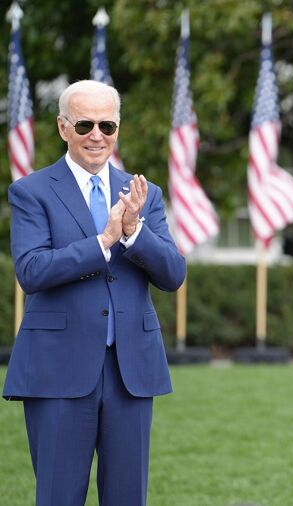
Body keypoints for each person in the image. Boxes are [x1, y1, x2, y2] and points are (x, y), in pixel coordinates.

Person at [3, 80, 186, 506]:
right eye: (85, 124)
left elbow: (173, 274)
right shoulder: (32, 191)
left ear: (118, 127)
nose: (96, 135)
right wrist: (103, 242)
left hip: (130, 373)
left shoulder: (145, 194)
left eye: (107, 125)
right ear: (63, 127)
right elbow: (31, 271)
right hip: (58, 370)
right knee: (59, 497)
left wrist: (135, 231)